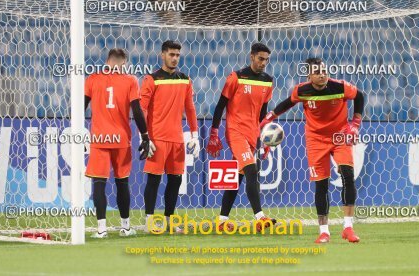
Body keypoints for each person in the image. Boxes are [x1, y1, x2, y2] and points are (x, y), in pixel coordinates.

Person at [260, 58, 364, 243]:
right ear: (309, 76)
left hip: (340, 136)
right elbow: (288, 103)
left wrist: (355, 124)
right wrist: (269, 117)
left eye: (324, 70)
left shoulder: (340, 87)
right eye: (317, 72)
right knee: (321, 184)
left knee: (347, 175)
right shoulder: (302, 90)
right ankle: (324, 231)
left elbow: (360, 96)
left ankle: (348, 227)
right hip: (315, 139)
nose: (322, 74)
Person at [84, 48, 154, 238]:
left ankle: (101, 229)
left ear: (107, 61)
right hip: (121, 139)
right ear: (123, 63)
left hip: (99, 138)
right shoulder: (130, 79)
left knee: (98, 183)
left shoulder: (92, 78)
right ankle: (125, 227)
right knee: (122, 183)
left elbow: (81, 106)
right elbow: (137, 110)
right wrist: (145, 135)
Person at [206, 43, 276, 232]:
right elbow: (220, 106)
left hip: (252, 134)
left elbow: (263, 113)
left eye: (266, 60)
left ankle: (221, 220)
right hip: (235, 132)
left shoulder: (268, 81)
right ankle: (260, 217)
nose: (263, 63)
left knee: (238, 177)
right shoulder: (235, 77)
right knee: (252, 171)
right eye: (260, 58)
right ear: (251, 56)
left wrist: (265, 138)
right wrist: (214, 131)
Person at [140, 40, 199, 233]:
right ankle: (149, 221)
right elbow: (142, 109)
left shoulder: (185, 79)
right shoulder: (151, 79)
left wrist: (195, 135)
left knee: (175, 181)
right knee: (154, 180)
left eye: (177, 55)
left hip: (177, 139)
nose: (174, 58)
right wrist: (144, 137)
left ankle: (169, 221)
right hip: (157, 139)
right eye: (171, 54)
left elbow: (190, 108)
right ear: (162, 55)